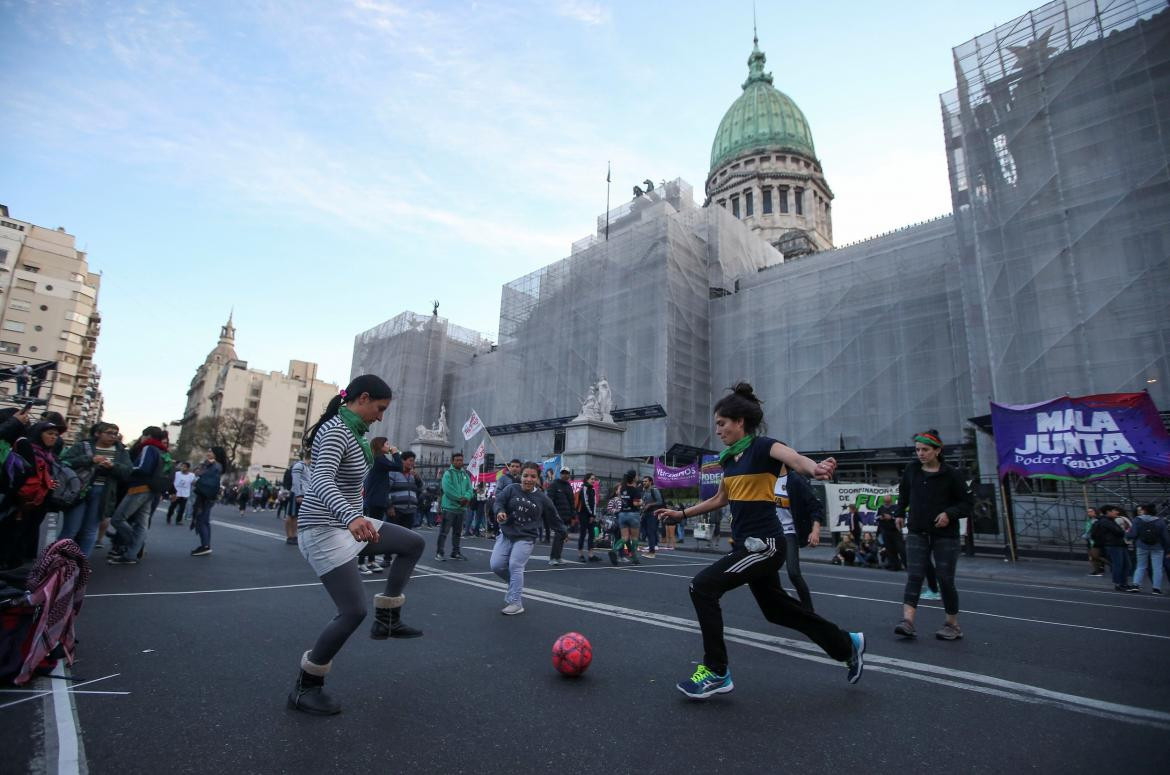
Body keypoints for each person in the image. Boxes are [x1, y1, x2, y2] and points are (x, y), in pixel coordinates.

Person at [655, 383, 864, 699]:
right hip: (746, 545)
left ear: (740, 422)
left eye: (722, 424)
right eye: (717, 425)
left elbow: (796, 460)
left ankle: (716, 671)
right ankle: (846, 644)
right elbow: (720, 499)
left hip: (764, 544)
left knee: (702, 587)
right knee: (777, 611)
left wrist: (816, 468)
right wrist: (680, 514)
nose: (718, 431)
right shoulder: (730, 460)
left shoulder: (765, 447)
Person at [288, 376, 425, 716]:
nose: (380, 417)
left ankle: (388, 618)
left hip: (348, 523)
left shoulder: (354, 434)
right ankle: (306, 684)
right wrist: (351, 517)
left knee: (412, 543)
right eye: (379, 409)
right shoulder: (336, 431)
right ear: (363, 399)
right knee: (352, 612)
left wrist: (353, 517)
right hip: (322, 529)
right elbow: (320, 478)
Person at [892, 430, 973, 640]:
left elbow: (967, 504)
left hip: (945, 535)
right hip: (917, 531)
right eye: (918, 449)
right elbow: (904, 493)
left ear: (937, 450)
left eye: (925, 450)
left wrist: (949, 513)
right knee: (915, 576)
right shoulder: (912, 470)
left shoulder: (952, 474)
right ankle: (907, 621)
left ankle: (952, 625)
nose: (920, 453)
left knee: (945, 579)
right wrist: (899, 513)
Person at [491, 461, 566, 615]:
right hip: (506, 533)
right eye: (525, 476)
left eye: (533, 476)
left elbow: (554, 517)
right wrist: (499, 512)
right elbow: (498, 501)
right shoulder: (511, 489)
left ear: (538, 479)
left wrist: (563, 532)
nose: (528, 479)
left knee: (515, 565)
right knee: (496, 565)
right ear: (520, 476)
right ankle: (514, 585)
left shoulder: (542, 498)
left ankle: (516, 603)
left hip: (526, 537)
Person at [58, 422, 131, 556]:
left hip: (102, 492)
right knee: (71, 529)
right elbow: (64, 462)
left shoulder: (121, 451)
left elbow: (128, 472)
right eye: (109, 433)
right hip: (78, 491)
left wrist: (112, 467)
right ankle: (56, 562)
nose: (113, 436)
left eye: (115, 434)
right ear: (98, 433)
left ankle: (81, 565)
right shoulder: (83, 446)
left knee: (90, 530)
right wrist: (90, 459)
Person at [0, 418, 65, 568]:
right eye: (50, 433)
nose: (54, 437)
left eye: (56, 435)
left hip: (38, 503)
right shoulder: (27, 448)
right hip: (22, 503)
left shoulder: (50, 455)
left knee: (26, 535)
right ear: (38, 433)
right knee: (14, 537)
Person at [107, 427, 170, 566]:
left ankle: (136, 544)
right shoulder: (162, 451)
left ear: (147, 436)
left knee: (117, 519)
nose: (141, 438)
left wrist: (119, 467)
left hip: (139, 488)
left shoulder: (148, 448)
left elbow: (142, 468)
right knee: (142, 523)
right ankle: (131, 554)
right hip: (152, 489)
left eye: (143, 435)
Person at [775, 466, 822, 610]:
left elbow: (815, 506)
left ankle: (809, 611)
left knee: (794, 573)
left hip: (789, 532)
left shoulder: (795, 480)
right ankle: (783, 603)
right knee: (765, 573)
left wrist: (815, 531)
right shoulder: (766, 477)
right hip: (771, 531)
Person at [359, 437, 397, 575]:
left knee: (374, 532)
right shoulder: (379, 459)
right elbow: (398, 466)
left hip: (377, 500)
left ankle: (371, 561)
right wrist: (395, 453)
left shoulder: (379, 459)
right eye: (386, 444)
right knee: (370, 531)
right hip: (374, 500)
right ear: (380, 446)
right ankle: (361, 562)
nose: (389, 445)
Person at [436, 452, 473, 561]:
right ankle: (439, 553)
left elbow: (470, 489)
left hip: (461, 509)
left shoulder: (465, 474)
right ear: (452, 461)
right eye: (457, 460)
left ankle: (455, 552)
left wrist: (466, 497)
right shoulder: (448, 474)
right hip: (449, 508)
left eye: (461, 460)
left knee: (457, 533)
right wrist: (460, 499)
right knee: (444, 532)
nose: (459, 462)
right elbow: (448, 490)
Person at [1126, 504, 1168, 594]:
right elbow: (1165, 537)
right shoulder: (1160, 521)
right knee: (1157, 568)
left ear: (1144, 510)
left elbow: (1133, 534)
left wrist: (1127, 534)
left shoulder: (1138, 519)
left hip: (1142, 545)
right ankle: (1156, 588)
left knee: (1140, 566)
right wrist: (1168, 549)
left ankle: (1136, 585)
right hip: (1157, 546)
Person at [1091, 506, 1135, 592]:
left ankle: (1123, 583)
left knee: (1126, 565)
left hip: (1120, 545)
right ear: (1108, 512)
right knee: (1118, 565)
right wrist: (1124, 531)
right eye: (1114, 511)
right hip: (1114, 545)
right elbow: (1118, 532)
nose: (1117, 513)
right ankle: (1118, 584)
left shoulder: (1110, 520)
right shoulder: (1105, 521)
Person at [190, 447, 224, 556]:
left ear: (216, 454)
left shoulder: (215, 466)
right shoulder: (209, 464)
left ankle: (205, 546)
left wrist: (198, 481)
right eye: (208, 451)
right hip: (206, 495)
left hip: (206, 496)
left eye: (210, 451)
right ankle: (205, 544)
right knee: (204, 520)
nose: (208, 453)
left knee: (202, 520)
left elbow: (208, 480)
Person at [607, 470, 643, 566]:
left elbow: (619, 497)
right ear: (634, 478)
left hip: (622, 514)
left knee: (624, 537)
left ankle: (614, 550)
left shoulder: (622, 488)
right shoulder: (635, 490)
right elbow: (636, 503)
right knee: (634, 538)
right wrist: (641, 502)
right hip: (633, 514)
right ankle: (634, 557)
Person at [546, 469, 576, 566]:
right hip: (557, 515)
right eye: (563, 473)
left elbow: (572, 502)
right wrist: (553, 513)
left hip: (566, 515)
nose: (565, 475)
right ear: (560, 474)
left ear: (569, 475)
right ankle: (553, 558)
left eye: (567, 473)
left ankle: (558, 557)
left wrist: (573, 515)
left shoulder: (569, 486)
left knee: (562, 536)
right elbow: (549, 500)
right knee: (558, 536)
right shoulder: (554, 484)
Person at [386, 450, 422, 530]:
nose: (413, 463)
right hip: (396, 511)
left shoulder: (413, 475)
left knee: (407, 536)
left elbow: (420, 488)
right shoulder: (393, 473)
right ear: (403, 461)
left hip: (411, 511)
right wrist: (389, 506)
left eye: (413, 461)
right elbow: (386, 490)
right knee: (395, 534)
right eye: (410, 461)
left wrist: (418, 479)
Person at [875, 494, 905, 571]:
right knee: (890, 550)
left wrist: (891, 517)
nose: (886, 502)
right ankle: (895, 566)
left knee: (901, 549)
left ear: (891, 500)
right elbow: (875, 518)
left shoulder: (896, 507)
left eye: (888, 500)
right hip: (885, 531)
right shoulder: (880, 508)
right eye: (885, 500)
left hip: (895, 531)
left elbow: (901, 517)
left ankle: (907, 565)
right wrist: (881, 517)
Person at [287, 451, 311, 545]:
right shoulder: (299, 466)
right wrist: (298, 495)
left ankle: (294, 535)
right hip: (296, 494)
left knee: (297, 516)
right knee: (292, 516)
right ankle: (291, 536)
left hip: (303, 494)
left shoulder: (307, 467)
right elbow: (296, 481)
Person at [576, 473, 600, 562]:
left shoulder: (592, 489)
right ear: (587, 479)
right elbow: (585, 503)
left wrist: (593, 515)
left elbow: (594, 503)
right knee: (582, 534)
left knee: (592, 534)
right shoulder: (584, 488)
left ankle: (591, 555)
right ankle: (580, 554)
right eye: (591, 479)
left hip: (590, 515)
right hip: (583, 514)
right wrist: (591, 514)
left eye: (594, 479)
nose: (593, 481)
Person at [640, 475, 664, 558]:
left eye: (645, 481)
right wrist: (642, 505)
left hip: (653, 513)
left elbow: (660, 501)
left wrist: (650, 504)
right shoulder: (644, 491)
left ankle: (652, 552)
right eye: (643, 481)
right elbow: (644, 501)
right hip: (645, 513)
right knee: (645, 531)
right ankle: (651, 548)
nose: (644, 483)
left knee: (651, 532)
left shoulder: (654, 490)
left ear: (650, 482)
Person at [1083, 507, 1105, 576]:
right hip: (1089, 540)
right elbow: (1087, 529)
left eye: (1091, 511)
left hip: (1096, 541)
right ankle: (1097, 570)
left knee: (1096, 556)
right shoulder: (1088, 520)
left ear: (1095, 511)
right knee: (1092, 556)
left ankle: (1104, 567)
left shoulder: (1098, 520)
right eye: (1088, 512)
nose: (1089, 513)